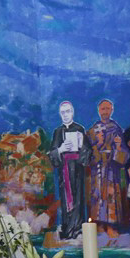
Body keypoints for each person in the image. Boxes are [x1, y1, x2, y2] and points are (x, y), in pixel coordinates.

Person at [48, 101, 90, 240]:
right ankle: (67, 229)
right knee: (65, 200)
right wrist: (61, 149)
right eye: (63, 112)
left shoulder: (80, 129)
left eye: (68, 111)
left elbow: (87, 151)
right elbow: (52, 153)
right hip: (64, 170)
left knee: (78, 199)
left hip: (77, 170)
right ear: (60, 114)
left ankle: (77, 229)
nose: (65, 115)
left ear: (72, 112)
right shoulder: (57, 132)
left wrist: (81, 144)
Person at [87, 99, 126, 237]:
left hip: (111, 170)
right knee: (97, 196)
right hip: (97, 169)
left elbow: (123, 155)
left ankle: (111, 226)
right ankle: (99, 225)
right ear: (99, 110)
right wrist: (98, 144)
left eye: (107, 109)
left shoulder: (116, 129)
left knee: (111, 197)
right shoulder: (92, 130)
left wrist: (119, 147)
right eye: (103, 109)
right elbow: (88, 154)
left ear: (112, 110)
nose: (105, 112)